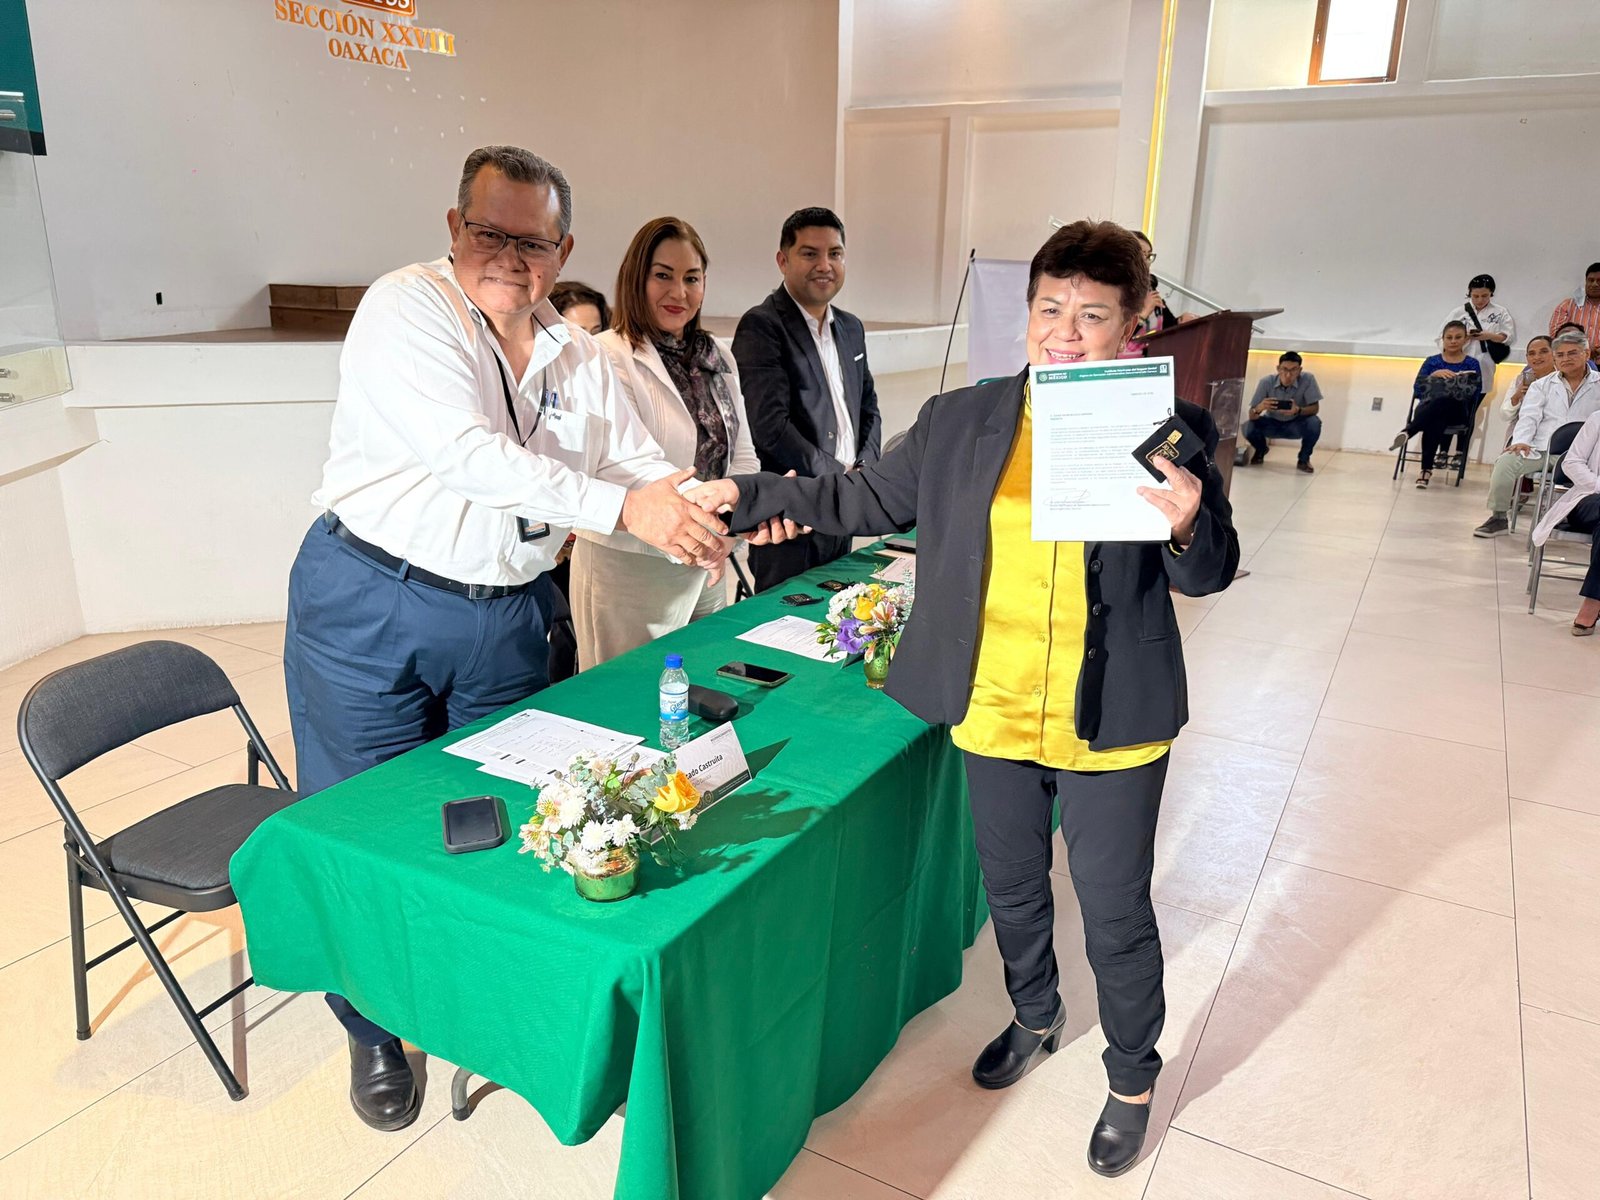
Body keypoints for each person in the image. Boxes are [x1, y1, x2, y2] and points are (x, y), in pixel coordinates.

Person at [688, 220, 1239, 1178]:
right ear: (1027, 313)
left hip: (1110, 718)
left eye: (1092, 316)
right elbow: (858, 500)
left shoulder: (1169, 426)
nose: (1065, 332)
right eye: (1050, 309)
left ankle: (1131, 1077)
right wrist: (750, 493)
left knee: (1114, 911)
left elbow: (1210, 572)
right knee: (1012, 886)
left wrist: (1189, 521)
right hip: (994, 705)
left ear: (1133, 323)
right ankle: (1035, 1013)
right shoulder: (963, 420)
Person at [284, 145, 753, 1134]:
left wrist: (695, 498)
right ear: (455, 228)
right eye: (488, 232)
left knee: (497, 811)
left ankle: (479, 993)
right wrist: (627, 512)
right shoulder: (407, 309)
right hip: (373, 597)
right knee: (368, 818)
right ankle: (373, 1027)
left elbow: (631, 458)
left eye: (532, 242)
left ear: (563, 250)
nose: (508, 255)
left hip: (504, 613)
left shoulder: (572, 352)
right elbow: (471, 458)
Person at [574, 217, 760, 665]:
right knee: (627, 697)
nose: (679, 292)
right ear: (636, 278)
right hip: (631, 568)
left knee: (704, 685)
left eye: (691, 278)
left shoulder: (717, 356)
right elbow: (631, 463)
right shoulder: (606, 353)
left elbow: (744, 456)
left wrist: (730, 533)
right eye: (663, 275)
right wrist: (716, 527)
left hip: (709, 562)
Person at [733, 207, 881, 592]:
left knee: (840, 610)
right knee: (785, 615)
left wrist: (865, 469)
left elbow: (868, 407)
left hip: (843, 504)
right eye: (810, 253)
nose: (825, 265)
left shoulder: (850, 327)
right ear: (783, 261)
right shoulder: (762, 325)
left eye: (835, 253)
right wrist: (837, 478)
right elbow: (769, 427)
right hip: (790, 513)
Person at [1475, 329, 1600, 535]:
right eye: (1560, 355)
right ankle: (1498, 517)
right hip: (1543, 450)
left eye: (1572, 353)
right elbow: (1529, 417)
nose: (1566, 359)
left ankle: (1575, 518)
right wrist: (1521, 440)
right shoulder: (1541, 385)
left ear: (1586, 354)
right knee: (1505, 463)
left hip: (1585, 456)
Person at [1389, 321, 1483, 488]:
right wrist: (1434, 376)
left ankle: (1410, 432)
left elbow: (1474, 393)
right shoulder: (1432, 362)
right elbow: (1418, 389)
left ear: (1465, 340)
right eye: (1449, 337)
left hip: (1457, 412)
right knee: (1435, 416)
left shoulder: (1472, 364)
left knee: (1443, 402)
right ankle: (1425, 472)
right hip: (1429, 410)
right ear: (1443, 339)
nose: (1453, 341)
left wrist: (1455, 383)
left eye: (1458, 337)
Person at [1531, 408, 1600, 634]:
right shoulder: (1597, 418)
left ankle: (1593, 601)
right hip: (1588, 497)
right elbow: (1571, 462)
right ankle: (1592, 603)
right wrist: (1597, 485)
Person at [1242, 350, 1322, 473]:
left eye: (1293, 370)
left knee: (1314, 423)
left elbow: (1315, 408)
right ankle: (1261, 449)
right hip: (1271, 422)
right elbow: (1251, 416)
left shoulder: (1308, 379)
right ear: (1278, 369)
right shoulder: (1266, 382)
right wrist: (1259, 408)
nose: (1288, 375)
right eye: (1284, 369)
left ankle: (1304, 459)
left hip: (1296, 423)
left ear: (1300, 370)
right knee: (1247, 427)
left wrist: (1298, 410)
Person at [1447, 273, 1514, 415]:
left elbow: (1507, 337)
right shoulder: (1459, 312)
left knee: (1470, 412)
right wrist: (1464, 337)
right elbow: (1443, 337)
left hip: (1484, 365)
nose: (1480, 300)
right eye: (1475, 296)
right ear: (1469, 294)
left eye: (1485, 296)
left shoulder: (1500, 312)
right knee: (1451, 412)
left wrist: (1487, 336)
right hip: (1458, 363)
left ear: (1491, 294)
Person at [1501, 335, 1553, 447]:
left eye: (1543, 352)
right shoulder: (1521, 379)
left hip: (1551, 435)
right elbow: (1505, 415)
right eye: (1532, 353)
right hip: (1521, 436)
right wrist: (1517, 395)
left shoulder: (1562, 378)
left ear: (1554, 353)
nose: (1537, 357)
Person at [1548, 262, 1600, 349]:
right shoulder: (1567, 306)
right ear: (1586, 281)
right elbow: (1555, 335)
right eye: (1591, 280)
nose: (1594, 284)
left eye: (1599, 281)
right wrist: (1581, 349)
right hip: (1572, 355)